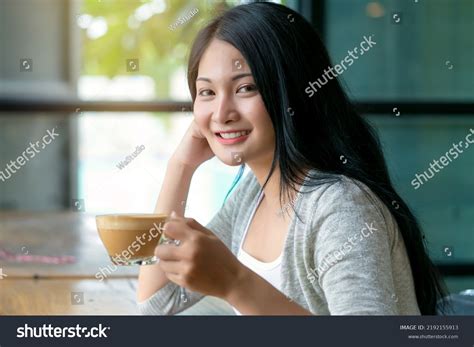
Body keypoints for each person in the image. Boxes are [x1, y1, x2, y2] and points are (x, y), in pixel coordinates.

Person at [137, 2, 447, 315]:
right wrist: (181, 167)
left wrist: (235, 283)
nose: (221, 113)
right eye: (207, 92)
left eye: (246, 87)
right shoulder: (251, 197)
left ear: (293, 92)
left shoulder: (340, 208)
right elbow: (156, 305)